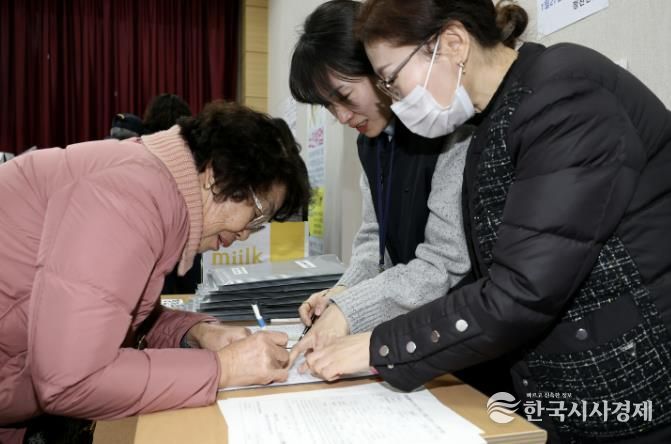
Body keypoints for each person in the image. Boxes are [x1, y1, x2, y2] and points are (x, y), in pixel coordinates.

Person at [298, 0, 671, 442]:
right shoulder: (493, 117)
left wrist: (379, 344)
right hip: (570, 381)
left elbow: (521, 291)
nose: (393, 100)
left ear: (453, 43)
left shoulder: (564, 95)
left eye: (392, 81)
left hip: (636, 383)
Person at [0, 100, 311, 444]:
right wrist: (223, 369)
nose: (245, 234)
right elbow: (70, 381)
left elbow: (112, 313)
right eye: (257, 215)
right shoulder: (131, 197)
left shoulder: (152, 186)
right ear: (216, 174)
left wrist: (196, 333)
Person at [287, 0, 479, 384]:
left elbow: (444, 262)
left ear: (379, 68)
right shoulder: (372, 142)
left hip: (462, 335)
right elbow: (374, 240)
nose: (342, 117)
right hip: (418, 338)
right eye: (329, 107)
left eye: (344, 96)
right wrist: (342, 292)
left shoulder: (446, 124)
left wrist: (348, 312)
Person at [141, 93, 202, 295]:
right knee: (189, 291)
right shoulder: (188, 153)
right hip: (184, 231)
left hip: (151, 237)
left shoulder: (141, 147)